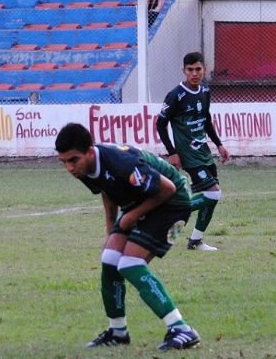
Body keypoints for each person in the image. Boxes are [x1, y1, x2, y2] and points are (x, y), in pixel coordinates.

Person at [55, 123, 201, 351]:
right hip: (143, 202)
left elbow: (168, 188)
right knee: (110, 258)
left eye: (73, 160)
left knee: (131, 263)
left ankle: (181, 329)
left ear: (89, 152)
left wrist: (131, 216)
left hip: (174, 204)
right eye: (63, 162)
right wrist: (111, 230)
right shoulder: (85, 168)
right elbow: (107, 191)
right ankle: (118, 331)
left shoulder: (122, 163)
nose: (69, 168)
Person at [156, 52, 230, 251]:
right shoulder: (175, 95)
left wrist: (219, 144)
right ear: (184, 71)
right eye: (190, 70)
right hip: (187, 155)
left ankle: (195, 240)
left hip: (203, 152)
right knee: (213, 194)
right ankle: (169, 212)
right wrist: (172, 152)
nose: (194, 73)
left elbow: (206, 120)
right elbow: (160, 124)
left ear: (204, 70)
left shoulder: (205, 91)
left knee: (211, 199)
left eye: (198, 69)